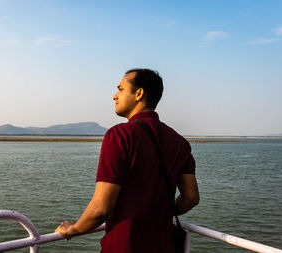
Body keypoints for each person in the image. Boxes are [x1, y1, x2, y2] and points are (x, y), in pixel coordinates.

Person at [55, 68, 200, 252]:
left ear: (139, 93)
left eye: (121, 89)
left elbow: (101, 208)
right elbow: (191, 197)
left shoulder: (119, 135)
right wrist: (158, 211)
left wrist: (74, 229)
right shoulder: (179, 142)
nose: (114, 96)